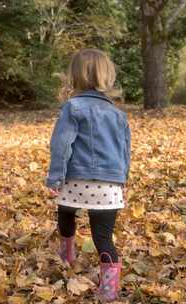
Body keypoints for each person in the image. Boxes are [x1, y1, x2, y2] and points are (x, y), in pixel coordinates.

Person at [46, 49, 131, 302]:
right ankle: (108, 290)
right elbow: (124, 151)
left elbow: (61, 146)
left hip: (76, 180)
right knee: (103, 237)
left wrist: (55, 178)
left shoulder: (72, 107)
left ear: (75, 76)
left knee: (66, 212)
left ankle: (67, 255)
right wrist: (121, 181)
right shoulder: (118, 114)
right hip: (109, 185)